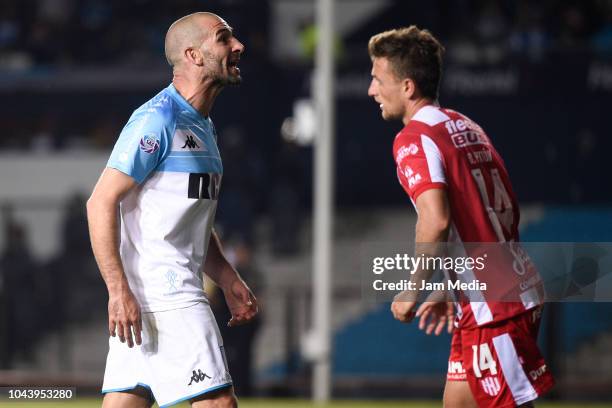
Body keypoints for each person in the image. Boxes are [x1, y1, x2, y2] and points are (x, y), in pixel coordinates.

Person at [367, 26, 554, 407]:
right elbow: (484, 214)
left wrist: (412, 288)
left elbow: (435, 221)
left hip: (495, 308)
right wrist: (450, 289)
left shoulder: (413, 138)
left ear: (407, 87)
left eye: (377, 79)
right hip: (497, 292)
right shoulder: (465, 126)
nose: (371, 90)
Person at [87, 12, 258, 408]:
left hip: (147, 301)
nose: (238, 46)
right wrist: (116, 290)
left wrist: (228, 276)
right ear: (194, 55)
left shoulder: (203, 126)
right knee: (218, 403)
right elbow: (100, 201)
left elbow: (190, 223)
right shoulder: (158, 119)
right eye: (223, 38)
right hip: (170, 297)